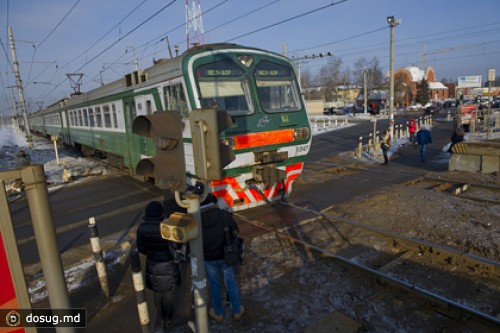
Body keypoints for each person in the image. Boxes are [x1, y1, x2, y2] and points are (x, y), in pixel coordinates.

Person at [137, 200, 182, 332]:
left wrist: (151, 253)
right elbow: (176, 245)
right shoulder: (166, 226)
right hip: (168, 263)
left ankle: (161, 317)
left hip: (153, 264)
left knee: (158, 291)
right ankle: (169, 318)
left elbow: (141, 248)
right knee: (168, 291)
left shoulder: (142, 228)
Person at [201, 194, 244, 322]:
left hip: (208, 258)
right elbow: (235, 231)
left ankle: (218, 313)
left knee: (214, 285)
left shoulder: (197, 219)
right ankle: (236, 311)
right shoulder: (224, 215)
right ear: (214, 203)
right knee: (230, 282)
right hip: (225, 255)